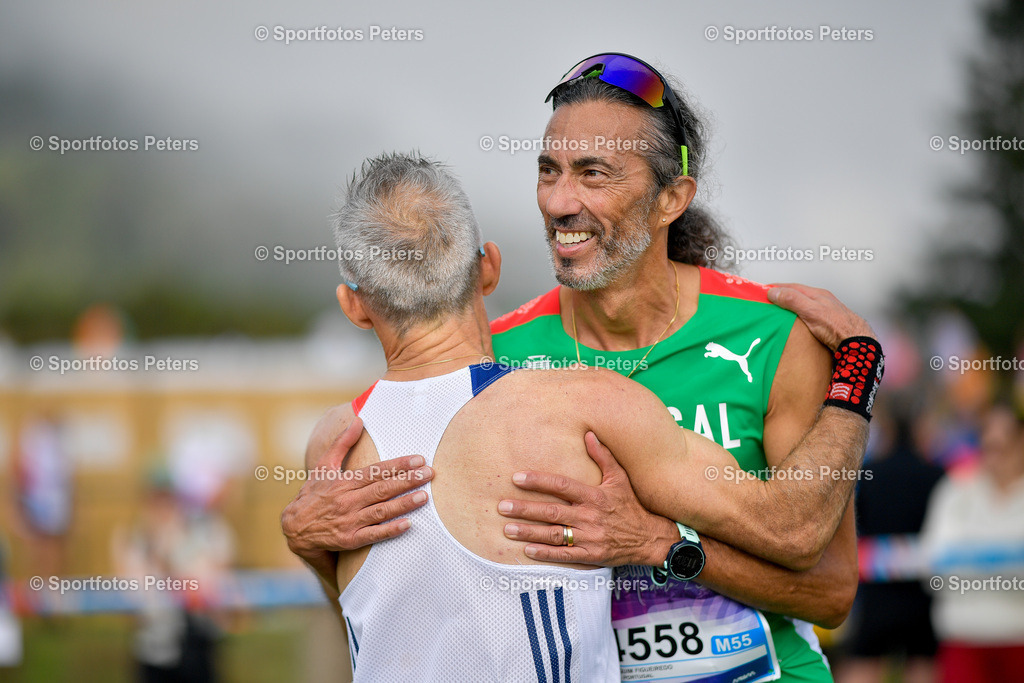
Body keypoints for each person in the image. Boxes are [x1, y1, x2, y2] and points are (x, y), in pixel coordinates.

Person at [284, 54, 882, 682]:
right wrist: (320, 550)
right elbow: (397, 598)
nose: (561, 202)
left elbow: (831, 592)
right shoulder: (495, 358)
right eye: (549, 171)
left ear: (670, 198)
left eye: (593, 174)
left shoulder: (770, 335)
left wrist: (656, 545)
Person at [920, 402, 1024, 682]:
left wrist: (971, 563)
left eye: (1004, 445)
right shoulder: (954, 491)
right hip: (963, 638)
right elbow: (933, 569)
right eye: (988, 444)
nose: (995, 455)